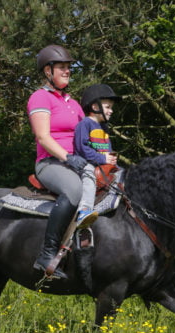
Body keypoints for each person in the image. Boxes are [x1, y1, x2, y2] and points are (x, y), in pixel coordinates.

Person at [27, 44, 87, 279]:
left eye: (68, 67)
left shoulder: (73, 103)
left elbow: (87, 134)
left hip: (77, 161)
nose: (67, 71)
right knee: (74, 190)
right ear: (47, 71)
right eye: (61, 67)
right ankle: (47, 255)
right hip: (51, 163)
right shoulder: (40, 97)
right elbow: (43, 136)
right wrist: (68, 157)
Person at [73, 84, 120, 227]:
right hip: (86, 163)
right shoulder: (85, 124)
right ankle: (84, 210)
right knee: (88, 175)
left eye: (111, 107)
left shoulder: (104, 127)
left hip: (101, 163)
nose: (111, 111)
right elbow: (82, 149)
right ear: (95, 107)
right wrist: (102, 158)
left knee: (121, 174)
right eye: (107, 107)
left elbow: (107, 148)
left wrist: (111, 161)